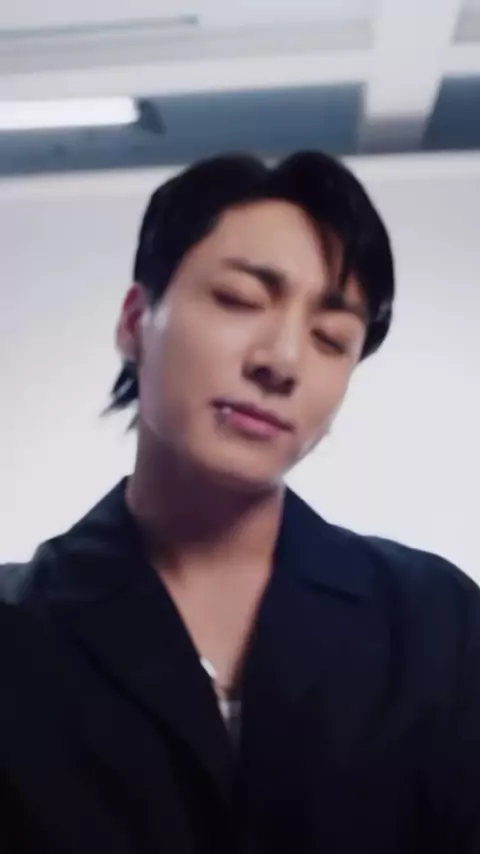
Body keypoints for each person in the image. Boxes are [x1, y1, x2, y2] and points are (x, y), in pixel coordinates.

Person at [0, 151, 479, 854]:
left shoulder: (437, 624)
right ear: (135, 322)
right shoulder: (16, 637)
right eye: (238, 300)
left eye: (330, 339)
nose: (281, 361)